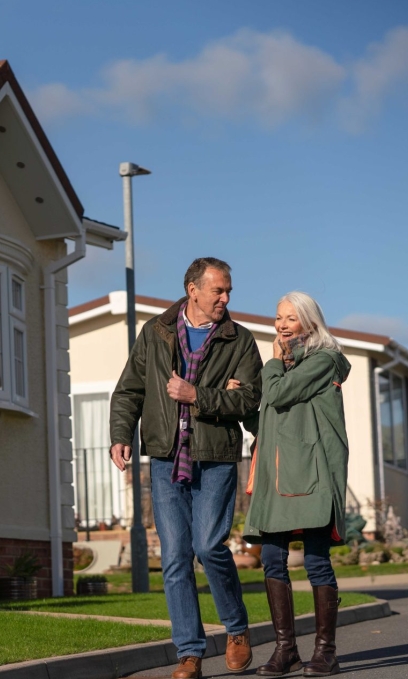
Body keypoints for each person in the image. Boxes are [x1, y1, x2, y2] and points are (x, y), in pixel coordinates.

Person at [110, 258, 263, 679]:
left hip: (214, 458)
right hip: (165, 457)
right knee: (175, 557)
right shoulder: (156, 333)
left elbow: (251, 400)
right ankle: (190, 653)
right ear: (192, 290)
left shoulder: (239, 340)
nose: (226, 298)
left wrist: (199, 395)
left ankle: (236, 628)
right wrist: (120, 433)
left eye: (228, 290)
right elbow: (130, 389)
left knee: (209, 546)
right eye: (218, 291)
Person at [240, 291, 351, 677]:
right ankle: (285, 649)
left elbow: (280, 393)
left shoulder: (324, 360)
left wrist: (271, 365)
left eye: (290, 318)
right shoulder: (286, 366)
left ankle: (326, 652)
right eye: (278, 318)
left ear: (309, 321)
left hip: (313, 474)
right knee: (272, 559)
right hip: (277, 475)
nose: (282, 325)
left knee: (317, 562)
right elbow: (271, 418)